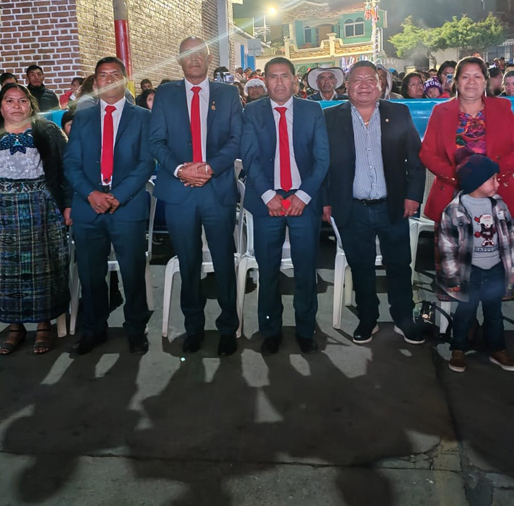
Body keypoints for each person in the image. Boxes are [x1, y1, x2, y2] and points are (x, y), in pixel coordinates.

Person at [0, 83, 70, 355]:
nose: (17, 106)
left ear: (31, 105)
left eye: (22, 100)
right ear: (0, 106)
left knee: (43, 268)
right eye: (10, 101)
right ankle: (15, 328)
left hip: (41, 210)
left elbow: (67, 171)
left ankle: (44, 326)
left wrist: (69, 205)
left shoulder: (49, 132)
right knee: (4, 273)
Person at [149, 36, 243, 356]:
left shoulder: (227, 94)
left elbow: (236, 139)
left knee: (223, 261)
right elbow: (156, 141)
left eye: (199, 53)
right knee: (188, 263)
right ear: (179, 60)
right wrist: (180, 170)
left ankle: (228, 327)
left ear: (208, 58)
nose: (194, 59)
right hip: (180, 193)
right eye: (187, 54)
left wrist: (209, 168)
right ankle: (193, 328)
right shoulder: (165, 94)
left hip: (217, 190)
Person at [323, 61, 427, 345]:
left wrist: (413, 195)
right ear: (347, 86)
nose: (365, 85)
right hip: (351, 206)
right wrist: (325, 201)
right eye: (358, 80)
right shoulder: (330, 117)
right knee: (361, 266)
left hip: (393, 204)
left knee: (399, 264)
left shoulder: (398, 113)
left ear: (381, 85)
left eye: (371, 79)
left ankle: (403, 317)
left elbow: (415, 159)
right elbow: (322, 163)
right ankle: (367, 318)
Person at [64, 58, 155, 355]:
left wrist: (118, 196)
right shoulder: (82, 118)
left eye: (115, 74)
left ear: (125, 79)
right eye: (103, 75)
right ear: (95, 82)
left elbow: (146, 163)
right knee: (91, 275)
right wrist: (91, 194)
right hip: (88, 208)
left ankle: (136, 329)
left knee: (132, 272)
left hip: (126, 207)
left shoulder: (142, 117)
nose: (109, 79)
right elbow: (71, 163)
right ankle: (94, 329)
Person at [240, 57, 329, 354]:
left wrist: (303, 196)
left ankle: (305, 329)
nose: (279, 82)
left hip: (303, 199)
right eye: (273, 76)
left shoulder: (312, 111)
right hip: (268, 201)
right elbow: (249, 157)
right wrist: (268, 195)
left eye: (284, 76)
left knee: (305, 269)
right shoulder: (252, 111)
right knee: (268, 270)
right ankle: (270, 330)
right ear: (265, 81)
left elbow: (322, 158)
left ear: (294, 80)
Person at [419, 57, 514, 225]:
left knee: (501, 242)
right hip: (452, 195)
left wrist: (492, 177)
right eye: (465, 77)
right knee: (454, 242)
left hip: (496, 193)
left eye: (477, 76)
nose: (471, 82)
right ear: (456, 82)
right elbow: (427, 153)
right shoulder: (441, 111)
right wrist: (458, 177)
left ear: (485, 81)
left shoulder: (501, 108)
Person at [437, 155, 514, 373]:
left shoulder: (499, 205)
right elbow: (447, 247)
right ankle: (458, 349)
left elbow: (510, 239)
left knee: (495, 312)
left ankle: (497, 348)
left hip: (495, 269)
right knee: (465, 312)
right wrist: (453, 277)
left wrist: (511, 269)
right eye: (492, 179)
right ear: (475, 182)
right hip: (469, 272)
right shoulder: (454, 210)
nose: (497, 183)